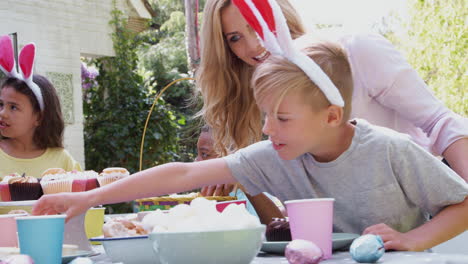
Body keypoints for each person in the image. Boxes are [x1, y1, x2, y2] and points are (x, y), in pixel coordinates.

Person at [33, 41, 468, 252]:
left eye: (281, 117)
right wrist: (89, 197)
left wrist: (413, 240)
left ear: (331, 116)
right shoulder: (277, 154)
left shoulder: (391, 150)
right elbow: (183, 173)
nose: (266, 128)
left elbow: (462, 204)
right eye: (264, 115)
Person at [195, 0, 468, 181]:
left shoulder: (355, 49)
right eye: (234, 38)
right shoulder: (262, 96)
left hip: (419, 207)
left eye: (257, 26)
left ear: (279, 15)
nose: (254, 46)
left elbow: (441, 122)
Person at [0, 35, 81, 177]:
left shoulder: (63, 161)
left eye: (13, 107)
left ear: (39, 117)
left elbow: (81, 196)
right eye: (1, 105)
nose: (2, 113)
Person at [196, 125, 285, 222]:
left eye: (204, 154)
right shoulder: (208, 194)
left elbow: (277, 228)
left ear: (230, 155)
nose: (197, 161)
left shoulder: (252, 194)